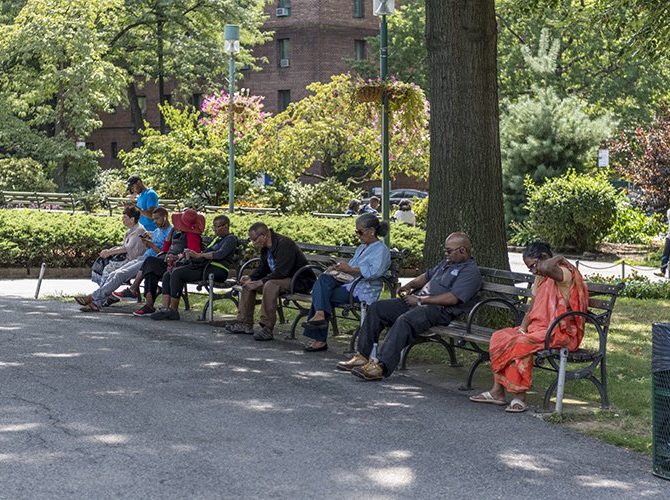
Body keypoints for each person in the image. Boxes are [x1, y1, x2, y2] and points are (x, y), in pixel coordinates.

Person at [337, 232, 482, 381]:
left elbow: (452, 299)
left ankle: (380, 366)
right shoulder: (446, 263)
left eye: (449, 251)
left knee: (404, 320)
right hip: (419, 303)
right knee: (377, 308)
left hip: (439, 310)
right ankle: (362, 355)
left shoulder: (470, 272)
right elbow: (426, 277)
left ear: (462, 250)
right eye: (445, 250)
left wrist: (420, 300)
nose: (446, 253)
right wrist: (409, 285)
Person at [469, 242, 589, 413]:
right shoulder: (541, 277)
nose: (533, 271)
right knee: (501, 336)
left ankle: (520, 397)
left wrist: (559, 258)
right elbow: (533, 308)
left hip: (559, 332)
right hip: (537, 329)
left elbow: (547, 266)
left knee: (520, 344)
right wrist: (523, 327)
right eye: (529, 268)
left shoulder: (563, 273)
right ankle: (497, 392)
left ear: (545, 258)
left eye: (533, 266)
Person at [302, 214, 391, 352]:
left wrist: (349, 269)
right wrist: (338, 269)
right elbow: (352, 268)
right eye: (356, 231)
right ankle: (319, 315)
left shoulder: (381, 250)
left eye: (360, 231)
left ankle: (319, 336)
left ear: (371, 231)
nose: (358, 235)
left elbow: (375, 272)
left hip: (363, 290)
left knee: (321, 294)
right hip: (349, 284)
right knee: (324, 280)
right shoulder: (362, 247)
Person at [224, 222, 315, 341]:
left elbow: (282, 271)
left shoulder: (284, 244)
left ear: (264, 235)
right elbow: (263, 268)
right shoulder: (265, 248)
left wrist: (260, 282)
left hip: (297, 280)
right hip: (280, 279)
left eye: (254, 239)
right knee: (248, 285)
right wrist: (251, 278)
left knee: (270, 284)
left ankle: (267, 327)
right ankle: (244, 323)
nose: (253, 243)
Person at [76, 207, 172, 312]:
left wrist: (151, 245)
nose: (154, 222)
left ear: (165, 217)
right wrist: (147, 241)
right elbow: (149, 246)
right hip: (143, 258)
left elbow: (166, 255)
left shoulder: (170, 232)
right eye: (153, 219)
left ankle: (92, 298)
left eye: (157, 219)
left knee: (119, 275)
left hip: (152, 263)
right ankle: (96, 303)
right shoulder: (157, 230)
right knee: (114, 273)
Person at [150, 215, 238, 321]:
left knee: (178, 274)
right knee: (168, 274)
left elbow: (219, 254)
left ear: (226, 226)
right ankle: (165, 308)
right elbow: (205, 252)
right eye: (214, 226)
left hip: (217, 270)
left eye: (217, 226)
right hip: (206, 267)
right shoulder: (218, 239)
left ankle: (173, 310)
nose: (215, 229)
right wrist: (192, 254)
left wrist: (199, 255)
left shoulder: (230, 239)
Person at [133, 209, 204, 316]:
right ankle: (149, 304)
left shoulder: (191, 235)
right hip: (169, 261)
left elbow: (194, 253)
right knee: (150, 272)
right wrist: (170, 234)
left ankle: (137, 291)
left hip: (179, 264)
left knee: (150, 262)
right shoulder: (179, 234)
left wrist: (175, 257)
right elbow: (166, 249)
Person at [90, 207, 147, 285]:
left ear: (132, 219)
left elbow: (126, 249)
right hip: (127, 258)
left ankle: (103, 293)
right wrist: (109, 251)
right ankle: (105, 293)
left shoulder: (139, 231)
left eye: (125, 218)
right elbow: (124, 246)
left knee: (108, 268)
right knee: (102, 262)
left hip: (133, 261)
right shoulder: (131, 230)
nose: (122, 220)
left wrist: (109, 252)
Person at [654, 207, 670, 278]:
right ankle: (662, 271)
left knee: (665, 255)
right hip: (669, 236)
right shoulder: (669, 211)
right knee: (665, 254)